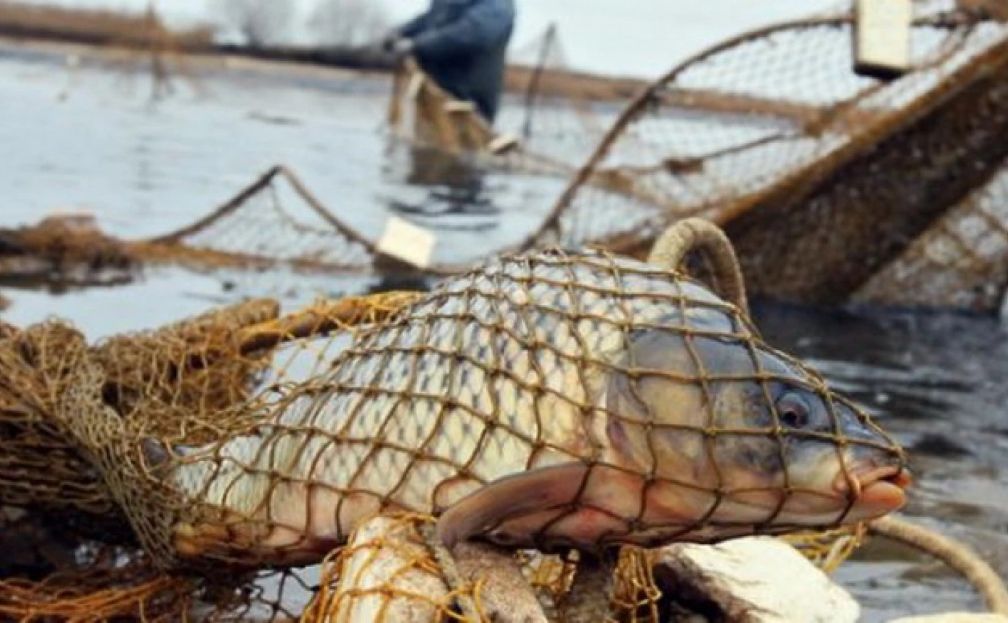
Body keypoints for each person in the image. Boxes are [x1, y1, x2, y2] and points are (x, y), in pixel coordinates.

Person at [384, 0, 516, 123]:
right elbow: (430, 19)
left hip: (468, 101)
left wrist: (416, 45)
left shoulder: (498, 4)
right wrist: (401, 32)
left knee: (463, 145)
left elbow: (473, 33)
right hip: (433, 94)